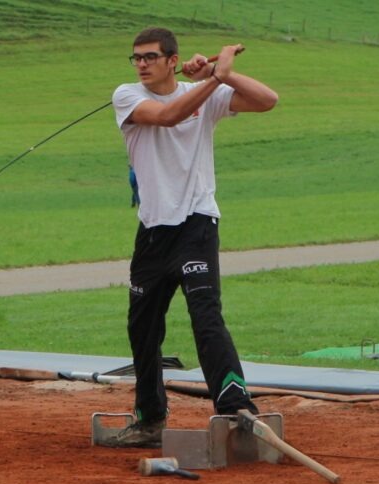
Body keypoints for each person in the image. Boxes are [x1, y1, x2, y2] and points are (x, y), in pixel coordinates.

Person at [106, 27, 278, 448]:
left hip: (197, 224)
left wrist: (223, 74)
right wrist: (216, 77)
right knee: (142, 327)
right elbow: (168, 116)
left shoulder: (203, 91)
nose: (142, 64)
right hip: (152, 232)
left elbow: (267, 100)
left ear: (171, 59)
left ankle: (236, 408)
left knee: (205, 314)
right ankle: (150, 418)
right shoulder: (127, 95)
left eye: (150, 57)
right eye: (137, 58)